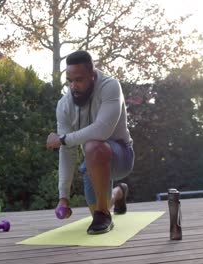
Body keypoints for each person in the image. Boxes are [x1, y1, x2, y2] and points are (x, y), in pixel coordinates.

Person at [46, 50, 134, 235]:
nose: (73, 86)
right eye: (69, 81)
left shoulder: (110, 86)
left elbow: (102, 130)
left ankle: (104, 213)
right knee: (95, 209)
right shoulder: (64, 105)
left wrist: (63, 139)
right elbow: (67, 151)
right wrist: (64, 197)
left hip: (121, 156)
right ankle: (119, 193)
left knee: (93, 145)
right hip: (93, 163)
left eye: (78, 80)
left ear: (92, 76)